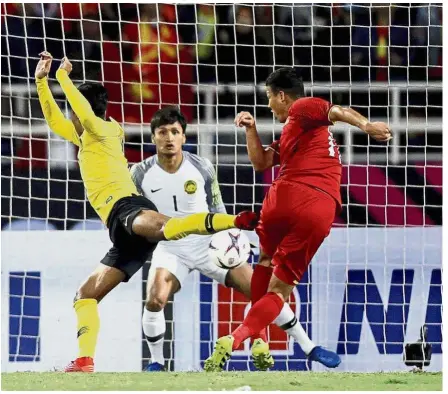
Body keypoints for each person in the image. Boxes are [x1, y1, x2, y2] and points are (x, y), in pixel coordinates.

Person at [34, 52, 257, 373]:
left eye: (73, 108)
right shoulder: (84, 136)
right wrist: (43, 81)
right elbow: (55, 121)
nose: (69, 115)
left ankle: (233, 220)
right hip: (121, 232)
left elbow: (80, 110)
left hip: (128, 207)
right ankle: (84, 361)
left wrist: (63, 78)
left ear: (80, 108)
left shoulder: (106, 130)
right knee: (85, 295)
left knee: (166, 227)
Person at [204, 67, 392, 371]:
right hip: (315, 204)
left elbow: (337, 111)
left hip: (279, 200)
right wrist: (251, 129)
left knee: (265, 262)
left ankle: (258, 339)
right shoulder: (299, 129)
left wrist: (366, 124)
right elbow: (261, 161)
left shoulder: (302, 108)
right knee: (279, 291)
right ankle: (236, 337)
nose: (268, 105)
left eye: (269, 98)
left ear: (282, 95)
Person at [133, 106, 341, 372]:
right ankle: (156, 363)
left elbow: (218, 208)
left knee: (262, 293)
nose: (169, 138)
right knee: (154, 300)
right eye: (162, 132)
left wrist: (233, 236)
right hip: (170, 248)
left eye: (175, 132)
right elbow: (135, 211)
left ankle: (309, 347)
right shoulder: (139, 173)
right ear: (153, 138)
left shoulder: (201, 167)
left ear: (184, 137)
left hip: (209, 244)